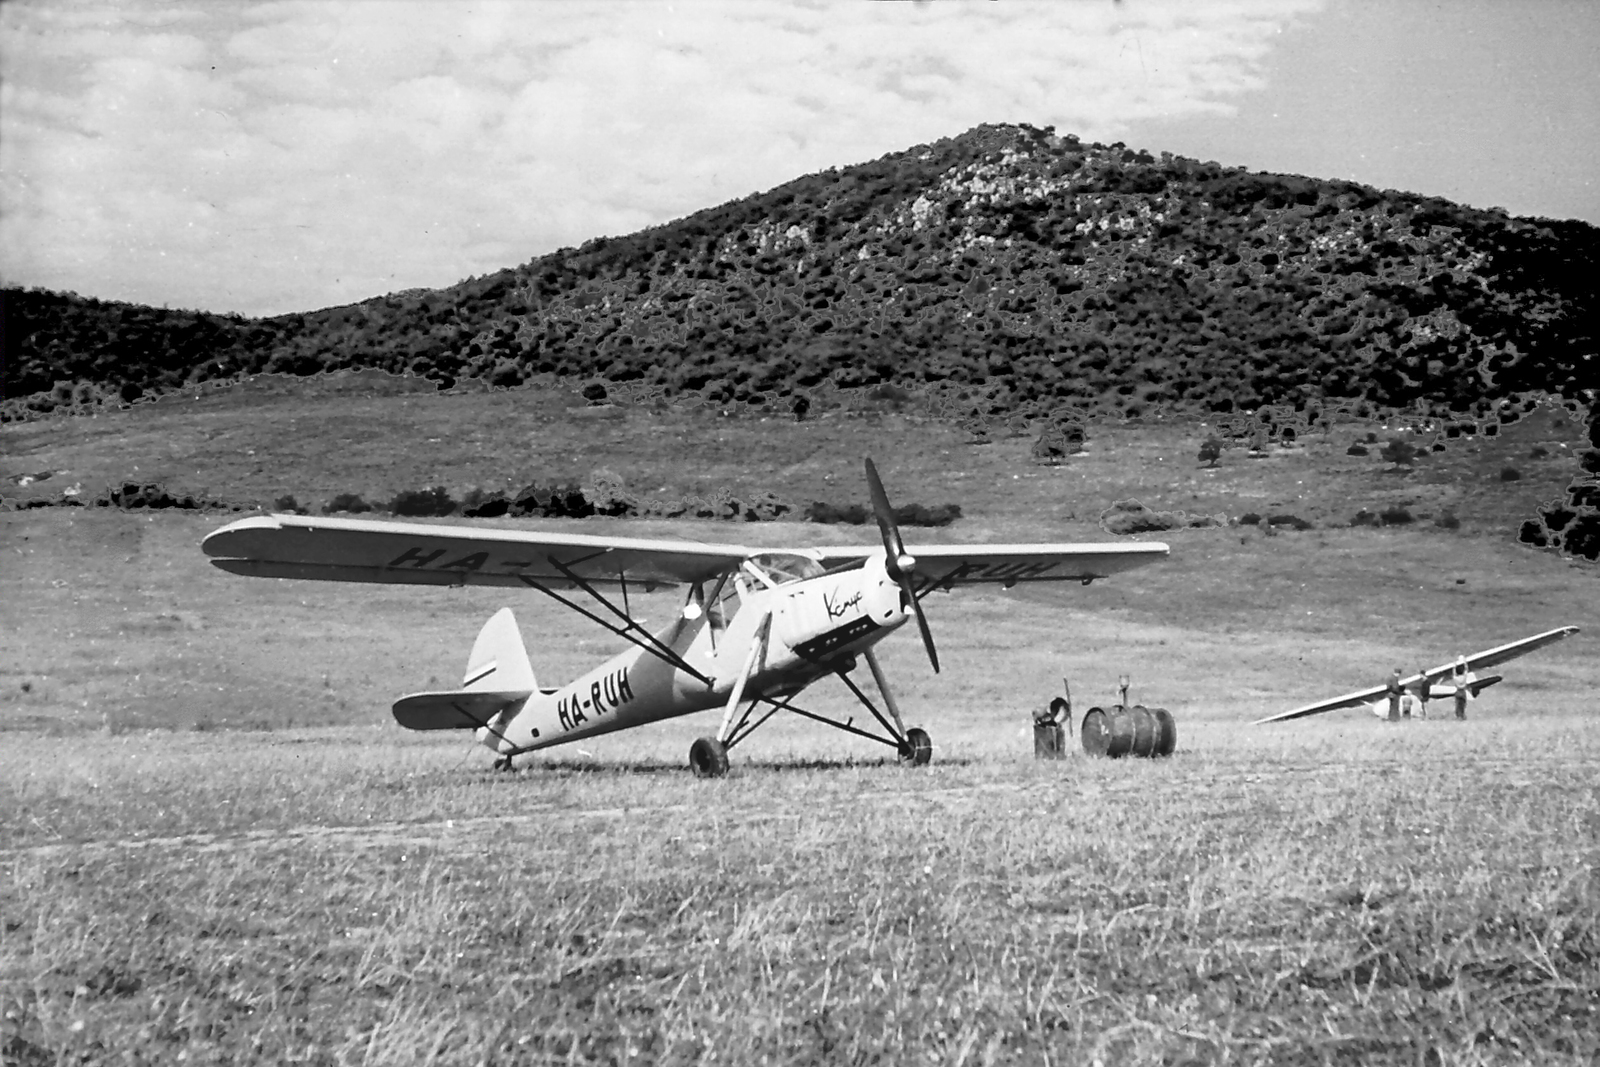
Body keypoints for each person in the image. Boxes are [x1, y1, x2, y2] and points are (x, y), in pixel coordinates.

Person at [1452, 656, 1474, 720]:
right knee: (1463, 705)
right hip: (1463, 692)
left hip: (1458, 691)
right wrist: (1465, 663)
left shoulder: (1455, 678)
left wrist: (1454, 665)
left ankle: (1458, 716)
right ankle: (1462, 715)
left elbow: (1454, 673)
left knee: (1457, 705)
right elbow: (1466, 670)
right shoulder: (1464, 678)